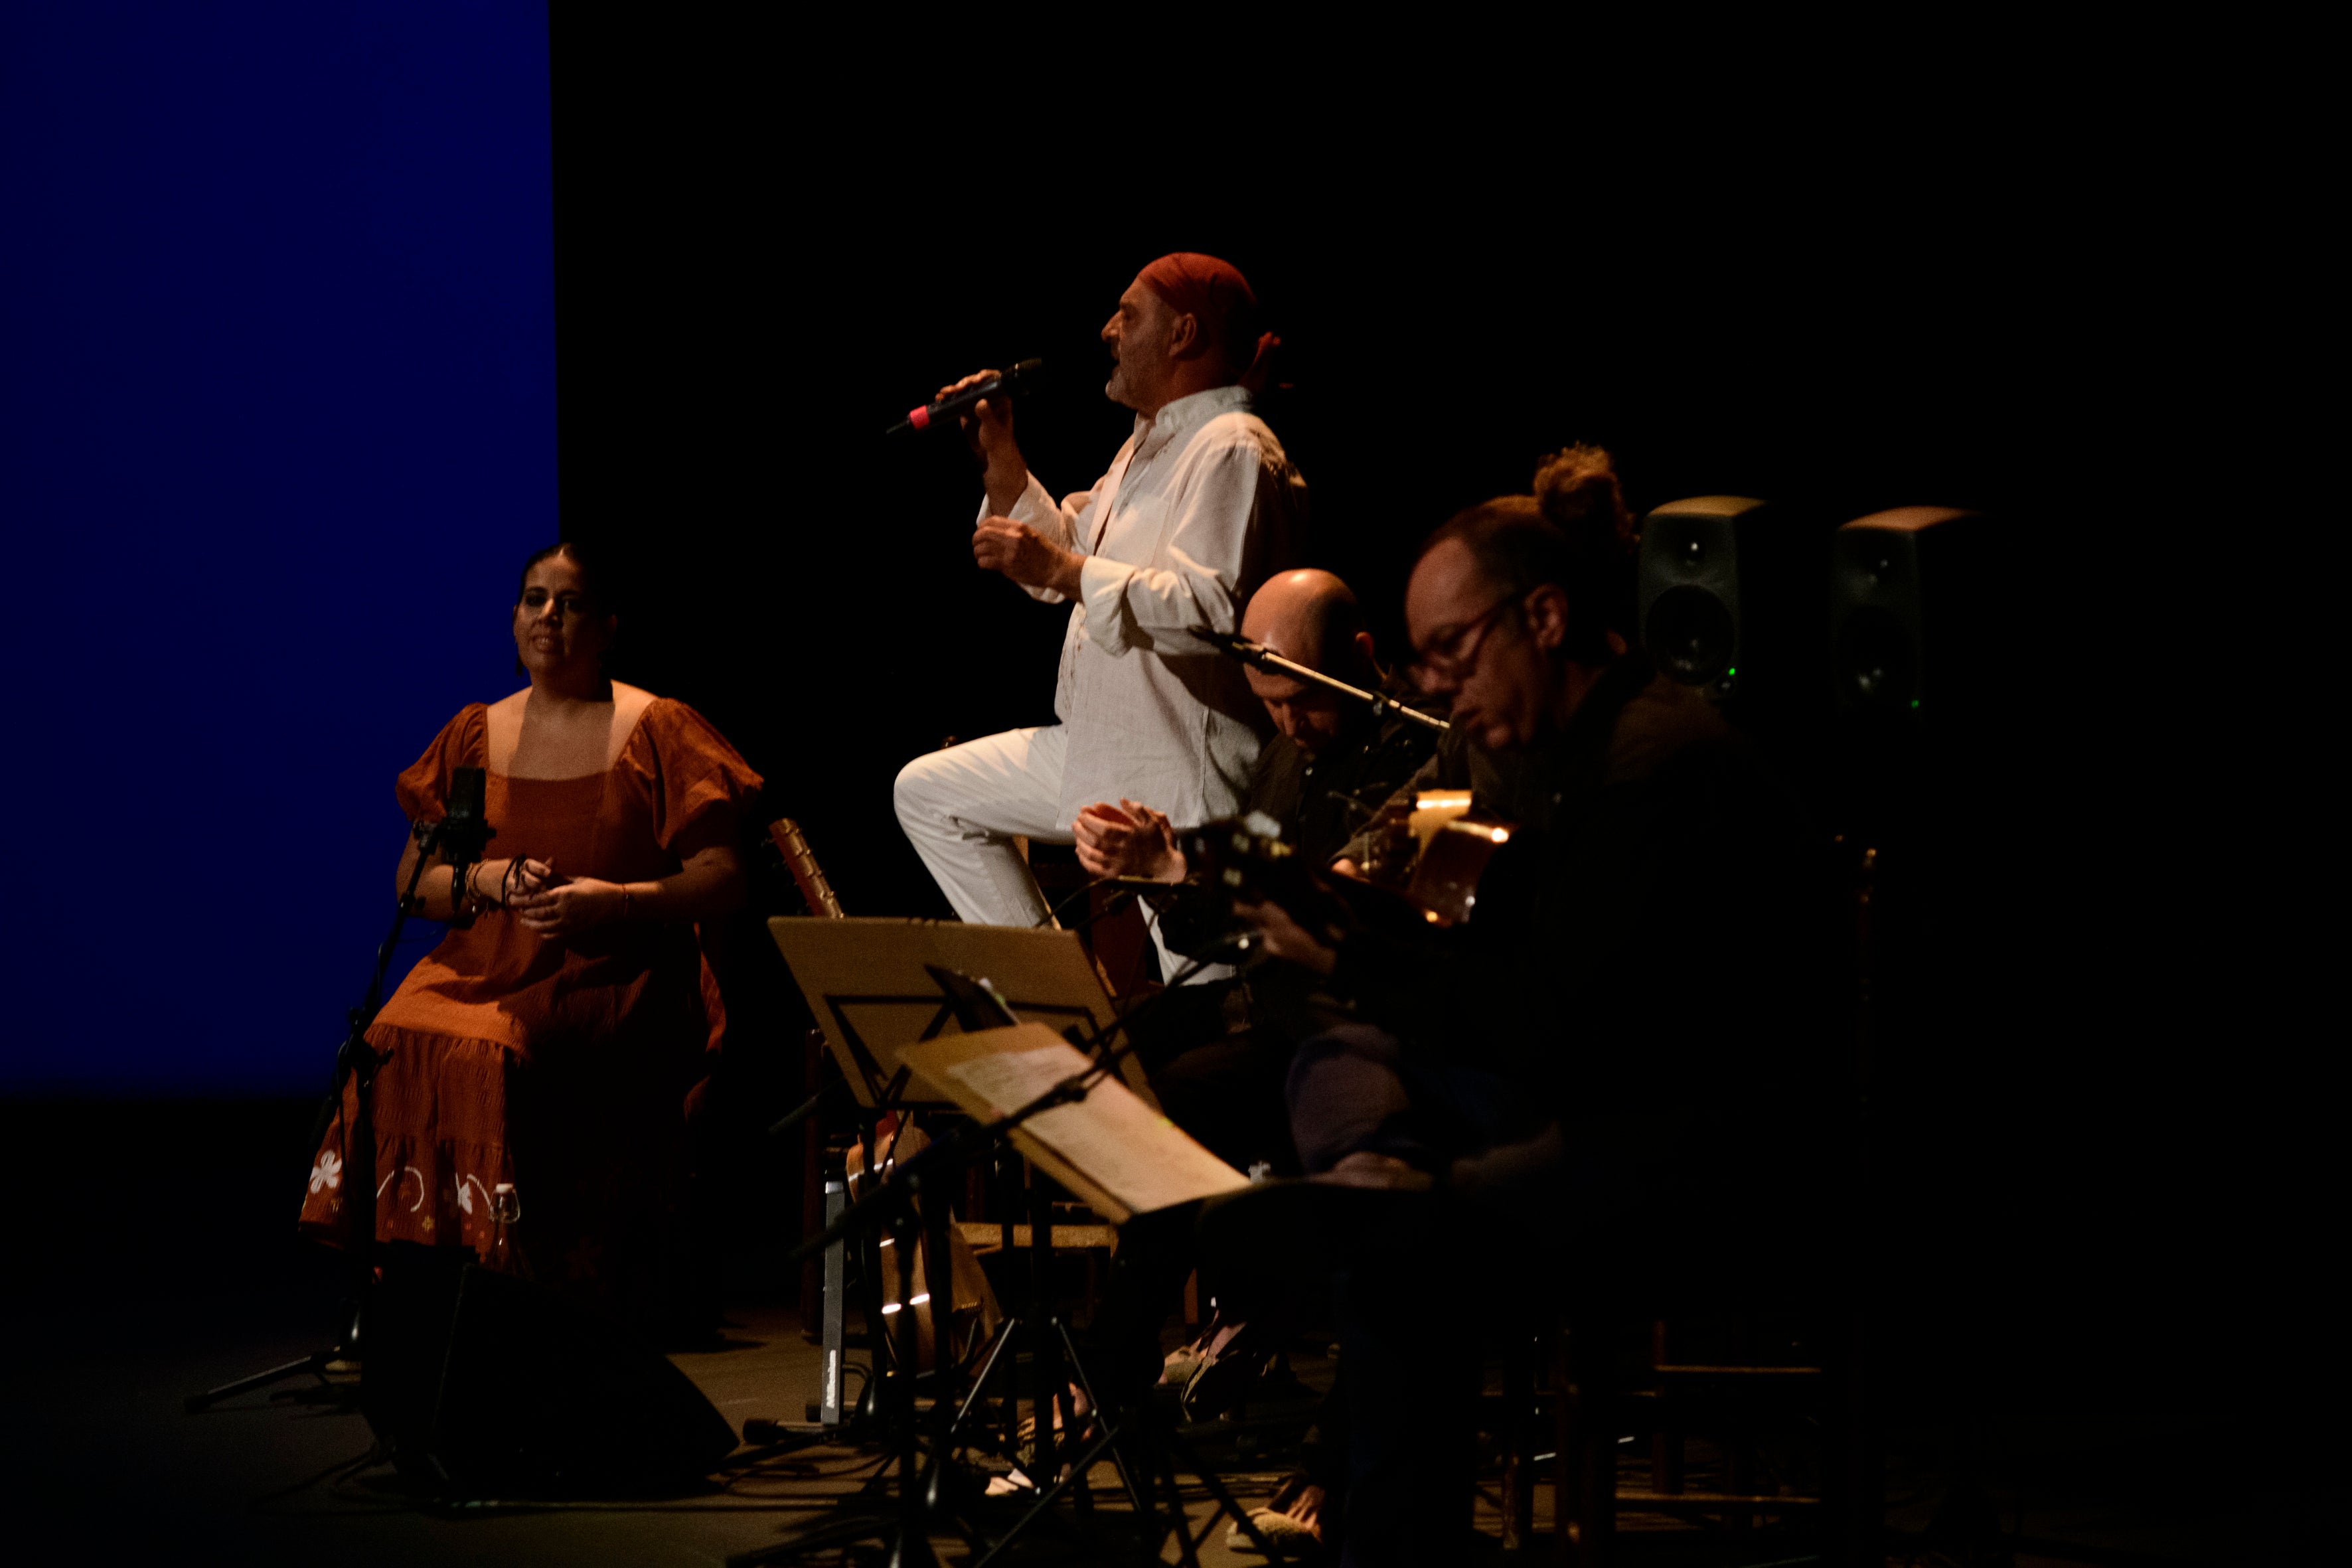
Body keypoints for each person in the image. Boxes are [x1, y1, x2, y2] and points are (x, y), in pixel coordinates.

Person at [1212, 461, 1832, 1565]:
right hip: (1588, 1093)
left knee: (1399, 1255)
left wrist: (1354, 955)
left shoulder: (1645, 767)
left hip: (1697, 1152)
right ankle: (1376, 1168)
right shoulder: (1556, 757)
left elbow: (1556, 1033)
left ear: (1544, 616)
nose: (1440, 686)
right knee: (1344, 1052)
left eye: (1451, 652)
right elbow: (1510, 993)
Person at [299, 542, 761, 1328]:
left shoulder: (657, 727)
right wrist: (492, 880)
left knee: (495, 1049)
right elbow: (417, 882)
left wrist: (610, 901)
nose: (549, 617)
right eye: (534, 599)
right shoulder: (476, 734)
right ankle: (417, 1286)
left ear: (608, 625)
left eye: (570, 602)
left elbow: (723, 876)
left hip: (613, 969)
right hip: (488, 960)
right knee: (394, 1034)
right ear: (513, 619)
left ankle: (517, 1291)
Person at [892, 254, 1308, 959]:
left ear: (1182, 335)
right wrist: (1001, 456)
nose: (1108, 330)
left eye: (1129, 314)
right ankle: (1056, 998)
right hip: (1100, 749)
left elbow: (1208, 606)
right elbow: (1064, 566)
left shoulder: (1231, 447)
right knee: (931, 794)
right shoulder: (1144, 451)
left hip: (1180, 778)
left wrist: (1062, 565)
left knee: (1205, 994)